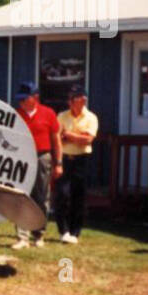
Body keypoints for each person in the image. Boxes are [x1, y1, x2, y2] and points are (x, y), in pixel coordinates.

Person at [11, 82, 62, 249]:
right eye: (20, 99)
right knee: (21, 195)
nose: (21, 102)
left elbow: (56, 140)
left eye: (25, 99)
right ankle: (22, 237)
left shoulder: (48, 114)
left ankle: (39, 235)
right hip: (21, 157)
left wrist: (58, 163)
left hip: (42, 156)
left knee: (41, 196)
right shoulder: (16, 114)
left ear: (35, 98)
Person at [55, 85, 98, 244]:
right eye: (71, 99)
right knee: (62, 194)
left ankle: (75, 232)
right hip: (65, 157)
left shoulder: (91, 118)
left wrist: (68, 135)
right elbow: (57, 138)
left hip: (82, 159)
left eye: (75, 99)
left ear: (83, 100)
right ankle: (63, 230)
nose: (71, 102)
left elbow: (87, 140)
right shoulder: (62, 116)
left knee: (78, 196)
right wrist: (76, 137)